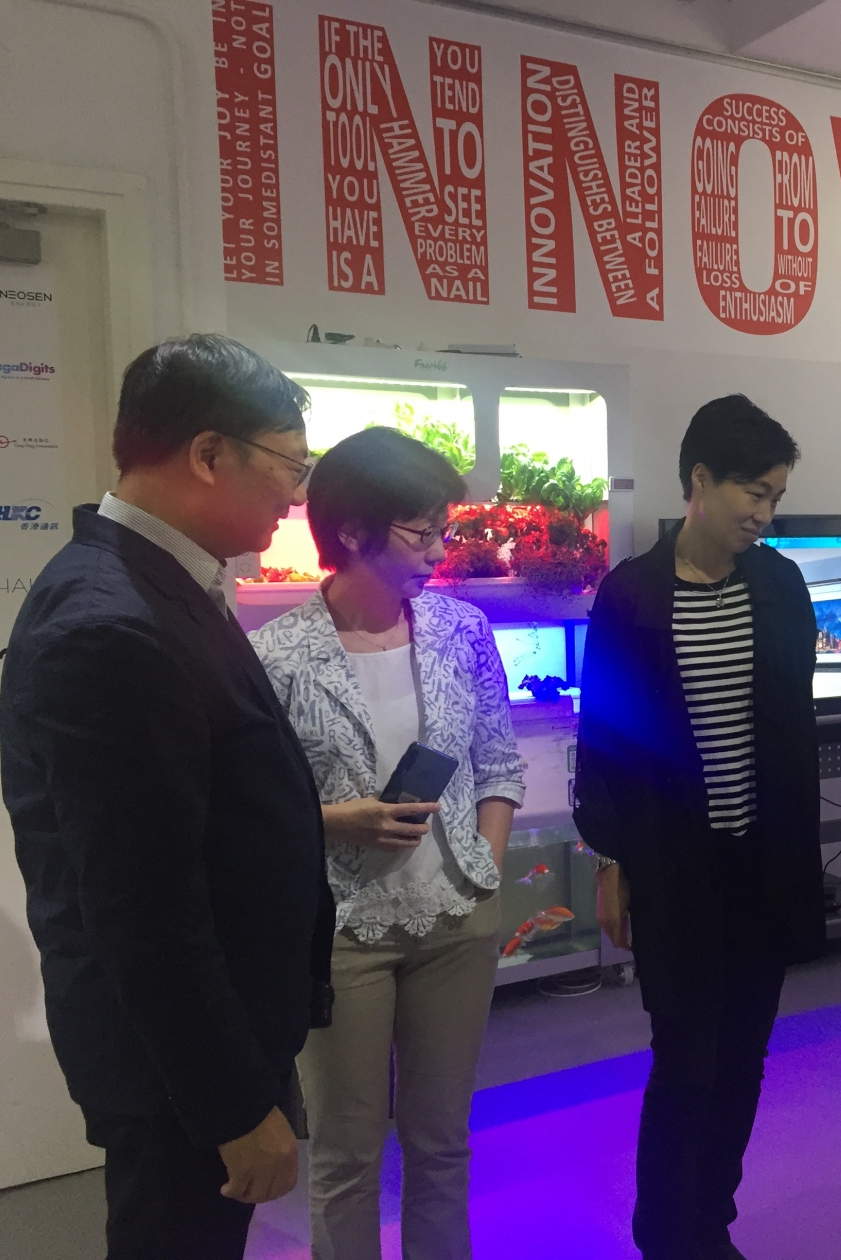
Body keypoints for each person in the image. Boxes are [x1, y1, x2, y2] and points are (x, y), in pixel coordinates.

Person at [0, 335, 334, 1259]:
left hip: (206, 1038)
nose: (294, 496)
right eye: (288, 466)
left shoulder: (166, 584)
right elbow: (141, 907)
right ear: (208, 454)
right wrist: (231, 1104)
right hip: (175, 1070)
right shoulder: (112, 625)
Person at [251, 427, 524, 1260]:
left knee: (442, 1143)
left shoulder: (460, 629)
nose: (439, 549)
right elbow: (253, 811)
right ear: (355, 531)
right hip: (340, 932)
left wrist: (485, 866)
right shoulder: (274, 655)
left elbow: (498, 761)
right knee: (346, 1155)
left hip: (456, 920)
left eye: (444, 528)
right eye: (421, 531)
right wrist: (337, 821)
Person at [574, 395, 822, 1260]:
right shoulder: (634, 595)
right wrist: (609, 859)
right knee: (685, 1056)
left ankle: (711, 1223)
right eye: (753, 492)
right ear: (700, 480)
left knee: (746, 1055)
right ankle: (663, 1235)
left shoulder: (780, 588)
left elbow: (792, 729)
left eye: (775, 497)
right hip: (676, 866)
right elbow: (605, 738)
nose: (764, 514)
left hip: (762, 862)